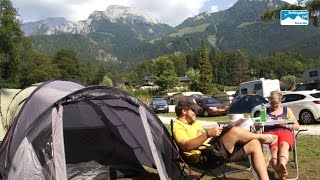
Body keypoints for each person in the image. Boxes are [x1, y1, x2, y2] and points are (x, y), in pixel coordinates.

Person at [173, 96, 277, 180]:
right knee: (235, 132)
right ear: (184, 111)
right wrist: (207, 134)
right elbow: (186, 146)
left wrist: (227, 128)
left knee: (254, 143)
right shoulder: (178, 126)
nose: (196, 112)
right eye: (193, 110)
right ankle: (261, 137)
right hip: (203, 158)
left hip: (212, 150)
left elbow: (207, 139)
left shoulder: (193, 123)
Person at [263, 90, 300, 180]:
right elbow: (260, 126)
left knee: (284, 145)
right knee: (274, 149)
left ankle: (282, 165)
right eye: (272, 103)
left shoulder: (287, 110)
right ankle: (280, 171)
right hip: (270, 132)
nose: (274, 105)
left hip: (284, 130)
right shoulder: (265, 111)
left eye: (276, 103)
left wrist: (286, 125)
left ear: (280, 101)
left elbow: (297, 126)